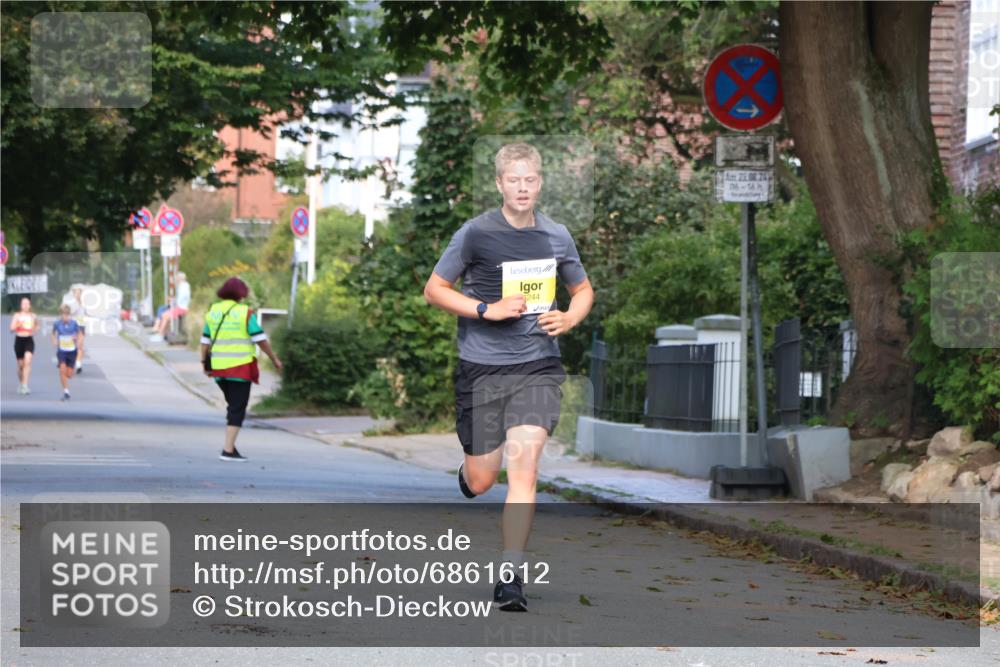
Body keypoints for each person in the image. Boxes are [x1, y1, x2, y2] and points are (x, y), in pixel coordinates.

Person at [423, 143, 594, 611]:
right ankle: (469, 474)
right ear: (500, 184)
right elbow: (435, 289)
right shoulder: (475, 233)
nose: (523, 188)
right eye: (513, 180)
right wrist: (486, 309)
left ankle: (511, 575)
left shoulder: (557, 236)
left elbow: (582, 289)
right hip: (482, 369)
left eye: (530, 180)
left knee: (525, 468)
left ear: (540, 182)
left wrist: (569, 318)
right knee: (483, 480)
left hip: (537, 366)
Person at [201, 277, 282, 462]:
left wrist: (203, 362)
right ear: (241, 294)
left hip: (219, 370)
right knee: (237, 408)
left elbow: (205, 341)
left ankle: (231, 447)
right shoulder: (244, 313)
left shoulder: (213, 311)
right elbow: (260, 339)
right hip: (239, 368)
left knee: (233, 406)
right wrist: (274, 359)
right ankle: (228, 451)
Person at [52, 304, 84, 401]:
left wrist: (78, 342)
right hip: (61, 351)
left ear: (69, 315)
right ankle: (66, 391)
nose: (64, 317)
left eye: (66, 315)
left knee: (69, 374)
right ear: (60, 315)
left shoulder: (74, 324)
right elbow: (53, 333)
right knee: (62, 370)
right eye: (62, 315)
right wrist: (54, 340)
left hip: (71, 351)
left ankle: (66, 379)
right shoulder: (57, 324)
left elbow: (80, 334)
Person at [10, 296, 40, 394]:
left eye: (27, 304)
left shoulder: (33, 316)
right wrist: (19, 324)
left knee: (27, 362)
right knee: (20, 366)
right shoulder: (17, 316)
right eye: (24, 304)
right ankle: (21, 383)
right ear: (21, 305)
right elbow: (11, 329)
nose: (26, 306)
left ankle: (25, 385)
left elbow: (37, 325)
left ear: (30, 305)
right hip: (19, 340)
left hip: (29, 340)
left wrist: (35, 330)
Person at [154, 272, 191, 338]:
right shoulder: (185, 286)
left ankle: (160, 334)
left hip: (181, 308)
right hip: (181, 307)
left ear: (179, 279)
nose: (176, 280)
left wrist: (172, 300)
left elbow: (180, 299)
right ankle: (163, 333)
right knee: (165, 315)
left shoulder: (182, 287)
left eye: (177, 279)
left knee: (165, 316)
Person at [61, 285, 86, 373]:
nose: (78, 294)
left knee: (80, 345)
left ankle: (78, 364)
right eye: (77, 292)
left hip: (81, 325)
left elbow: (84, 313)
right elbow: (68, 312)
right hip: (72, 326)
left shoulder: (83, 302)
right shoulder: (70, 302)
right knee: (71, 346)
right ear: (74, 293)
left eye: (80, 292)